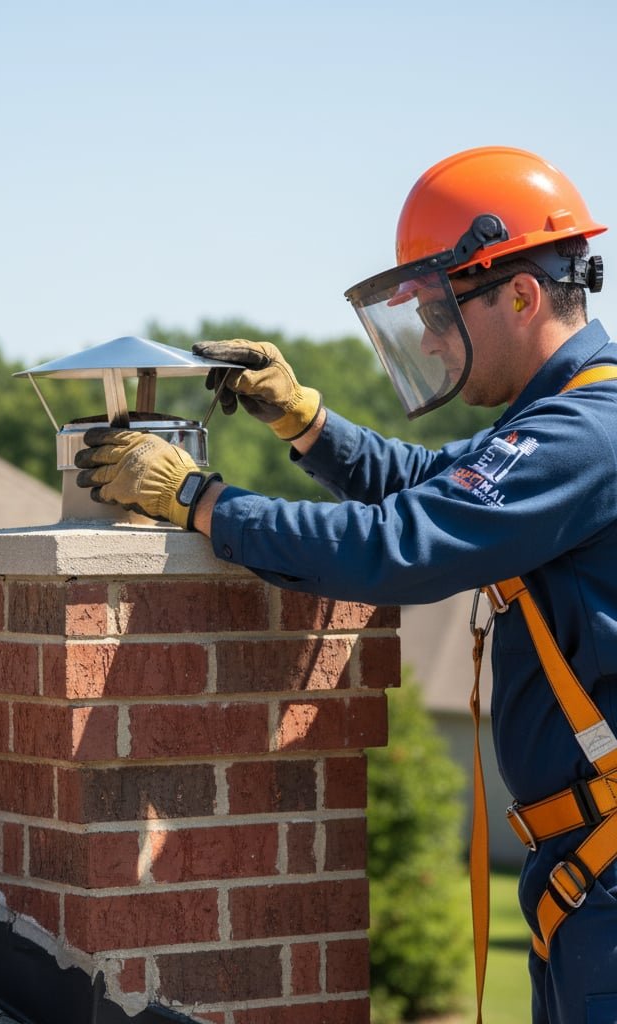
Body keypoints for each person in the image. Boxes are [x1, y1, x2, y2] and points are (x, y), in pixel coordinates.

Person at [74, 146, 617, 1024]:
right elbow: (435, 483)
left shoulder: (589, 431)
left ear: (519, 294)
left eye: (443, 312)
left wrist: (196, 498)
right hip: (590, 873)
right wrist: (308, 423)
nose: (434, 340)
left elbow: (398, 548)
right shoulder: (566, 414)